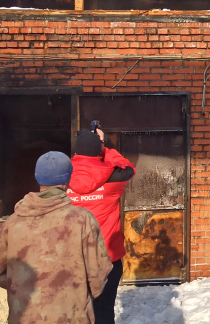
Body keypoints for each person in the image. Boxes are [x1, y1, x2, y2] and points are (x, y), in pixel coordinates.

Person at [0, 151, 112, 323]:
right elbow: (98, 275)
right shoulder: (82, 220)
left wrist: (26, 289)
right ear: (67, 180)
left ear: (37, 177)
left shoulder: (12, 222)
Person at [67, 129, 136, 324]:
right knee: (104, 312)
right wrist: (108, 147)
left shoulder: (63, 178)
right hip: (107, 257)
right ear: (99, 150)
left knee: (75, 312)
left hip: (73, 257)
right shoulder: (114, 178)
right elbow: (127, 166)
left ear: (76, 153)